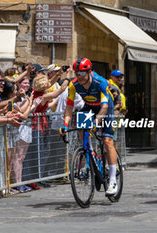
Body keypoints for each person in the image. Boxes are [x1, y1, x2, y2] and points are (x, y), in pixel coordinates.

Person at [59, 57, 118, 196]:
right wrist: (65, 124)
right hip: (89, 106)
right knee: (81, 129)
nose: (79, 77)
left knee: (107, 141)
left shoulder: (101, 82)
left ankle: (113, 180)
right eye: (76, 73)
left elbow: (103, 107)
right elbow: (69, 107)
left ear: (89, 72)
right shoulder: (73, 85)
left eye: (82, 74)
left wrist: (96, 123)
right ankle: (89, 151)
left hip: (105, 108)